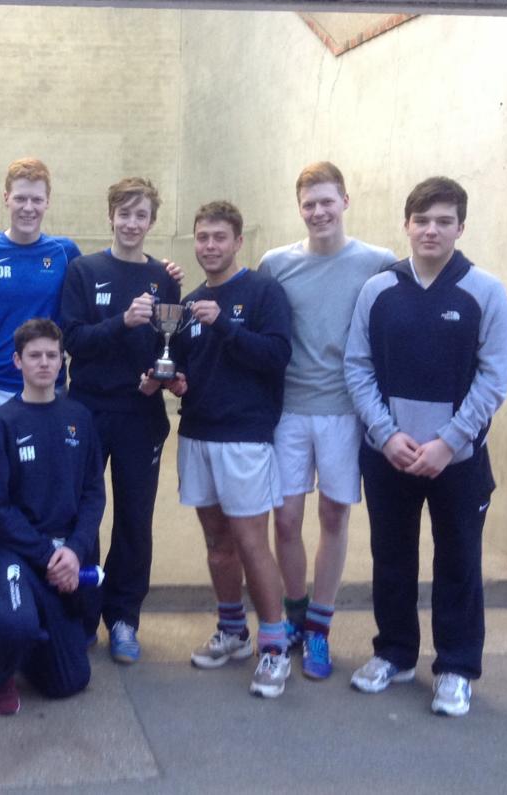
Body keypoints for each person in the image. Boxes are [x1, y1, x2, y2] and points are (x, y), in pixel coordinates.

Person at [345, 176, 507, 717]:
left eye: (444, 221)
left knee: (458, 561)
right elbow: (357, 367)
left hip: (457, 463)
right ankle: (394, 653)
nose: (431, 230)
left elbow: (494, 379)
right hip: (388, 456)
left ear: (460, 227)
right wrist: (385, 434)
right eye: (422, 220)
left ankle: (456, 668)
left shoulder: (484, 292)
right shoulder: (379, 290)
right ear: (407, 225)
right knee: (391, 558)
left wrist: (448, 442)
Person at [257, 162, 396, 679]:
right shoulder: (275, 264)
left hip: (344, 413)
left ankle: (319, 629)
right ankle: (293, 616)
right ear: (300, 208)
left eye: (326, 201)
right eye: (309, 204)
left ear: (345, 201)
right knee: (287, 520)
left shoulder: (378, 262)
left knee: (334, 518)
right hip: (289, 411)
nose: (318, 212)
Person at [170, 200, 294, 698]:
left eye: (220, 237)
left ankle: (274, 647)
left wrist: (225, 324)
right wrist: (175, 381)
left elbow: (276, 356)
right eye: (202, 237)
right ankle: (233, 632)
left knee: (250, 542)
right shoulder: (191, 300)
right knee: (217, 543)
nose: (210, 246)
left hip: (244, 438)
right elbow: (183, 363)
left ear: (239, 241)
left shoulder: (264, 292)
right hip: (197, 434)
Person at [0, 158, 80, 648]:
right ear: (5, 198)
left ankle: (48, 594)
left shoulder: (66, 252)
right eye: (20, 197)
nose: (28, 206)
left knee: (50, 502)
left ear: (48, 202)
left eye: (37, 198)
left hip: (52, 395)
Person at [59, 177, 180, 665]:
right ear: (110, 215)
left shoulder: (165, 279)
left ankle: (124, 617)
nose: (132, 223)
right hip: (87, 412)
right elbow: (71, 339)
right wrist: (121, 323)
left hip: (140, 415)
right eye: (124, 213)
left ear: (152, 221)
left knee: (135, 519)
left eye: (142, 215)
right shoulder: (82, 271)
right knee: (82, 517)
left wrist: (160, 376)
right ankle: (83, 615)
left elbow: (170, 347)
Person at [0, 318, 106, 715]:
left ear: (63, 361)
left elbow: (93, 493)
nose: (45, 363)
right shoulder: (0, 425)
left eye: (52, 355)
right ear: (17, 362)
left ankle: (29, 637)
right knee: (18, 625)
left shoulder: (79, 419)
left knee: (70, 682)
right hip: (16, 551)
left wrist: (75, 551)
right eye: (35, 356)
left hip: (67, 552)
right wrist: (46, 554)